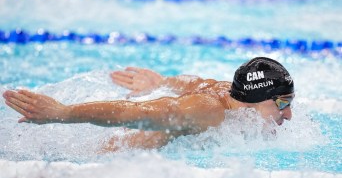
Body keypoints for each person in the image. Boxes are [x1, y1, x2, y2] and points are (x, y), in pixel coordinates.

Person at [2, 57, 295, 151]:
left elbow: (195, 81)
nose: (289, 114)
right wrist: (62, 112)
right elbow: (132, 112)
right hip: (116, 153)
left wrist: (162, 82)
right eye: (282, 103)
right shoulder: (208, 111)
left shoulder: (229, 93)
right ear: (255, 99)